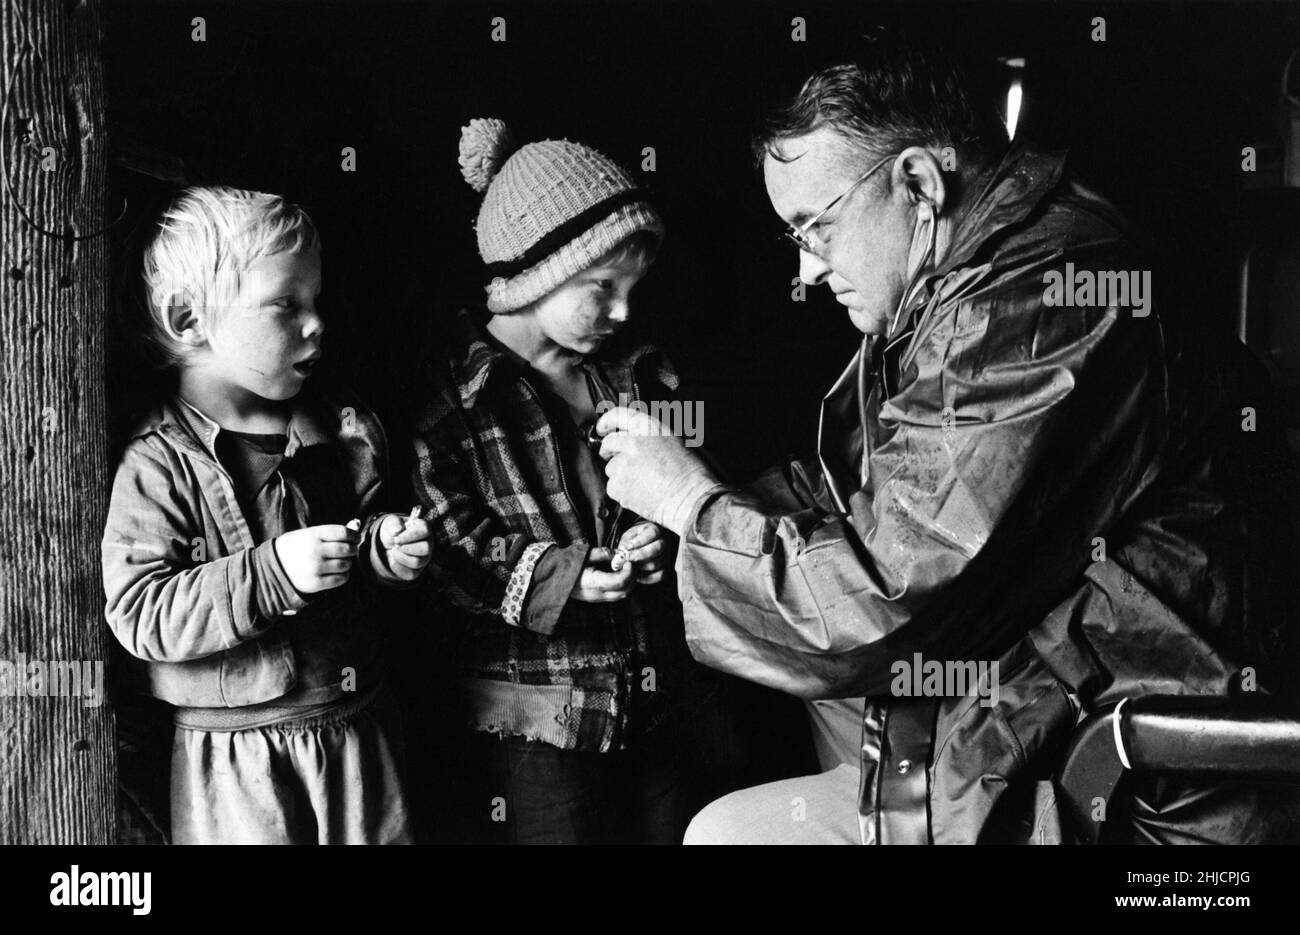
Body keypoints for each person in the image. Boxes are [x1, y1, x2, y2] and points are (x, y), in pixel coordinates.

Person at [596, 36, 1296, 844]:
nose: (809, 272)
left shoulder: (1038, 302)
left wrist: (693, 504)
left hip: (1137, 795)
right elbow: (875, 492)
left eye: (814, 228)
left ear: (920, 183)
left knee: (725, 835)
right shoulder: (971, 281)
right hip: (1046, 731)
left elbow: (884, 594)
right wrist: (707, 503)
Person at [410, 119, 715, 844]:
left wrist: (656, 536)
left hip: (652, 695)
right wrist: (560, 577)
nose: (622, 311)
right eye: (600, 287)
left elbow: (688, 487)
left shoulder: (639, 374)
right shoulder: (455, 401)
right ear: (535, 274)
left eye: (633, 290)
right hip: (539, 718)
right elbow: (446, 547)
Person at [102, 186, 430, 844]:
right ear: (189, 316)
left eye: (316, 301)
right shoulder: (157, 462)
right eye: (287, 303)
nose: (316, 323)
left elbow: (349, 543)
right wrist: (273, 572)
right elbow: (141, 612)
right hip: (239, 758)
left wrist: (380, 550)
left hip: (359, 727)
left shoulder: (332, 428)